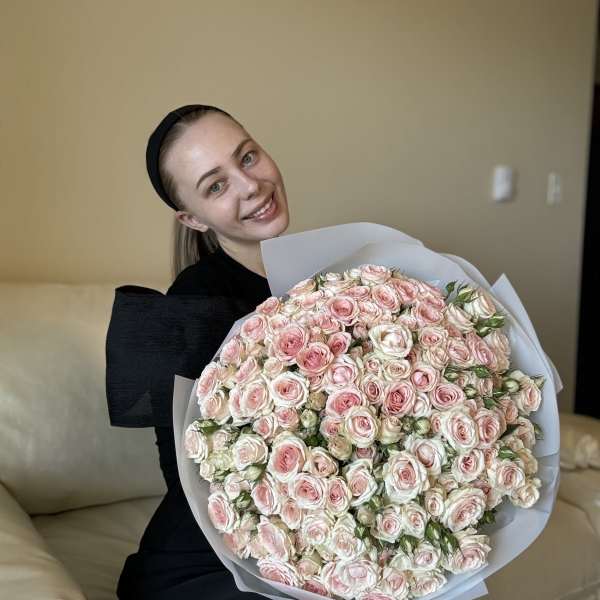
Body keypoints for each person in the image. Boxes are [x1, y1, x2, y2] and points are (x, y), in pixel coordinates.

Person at [105, 104, 290, 599]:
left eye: (247, 157)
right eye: (216, 186)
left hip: (306, 535)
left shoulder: (323, 277)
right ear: (192, 218)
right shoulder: (192, 303)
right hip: (210, 559)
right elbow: (188, 475)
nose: (250, 185)